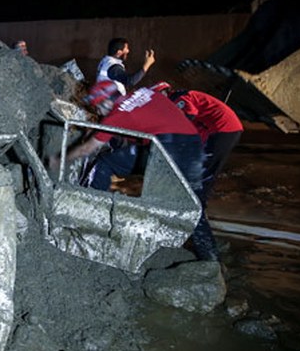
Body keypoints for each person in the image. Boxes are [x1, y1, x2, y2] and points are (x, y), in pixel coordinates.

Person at [65, 80, 219, 262]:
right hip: (192, 145)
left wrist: (59, 159)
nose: (97, 112)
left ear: (106, 102)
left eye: (97, 107)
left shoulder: (118, 115)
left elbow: (87, 149)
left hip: (168, 150)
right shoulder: (146, 93)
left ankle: (94, 219)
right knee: (192, 203)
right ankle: (211, 257)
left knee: (161, 200)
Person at [151, 82, 244, 201]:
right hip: (216, 129)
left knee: (205, 170)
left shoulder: (179, 99)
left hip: (223, 129)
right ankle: (190, 202)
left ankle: (198, 209)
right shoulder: (178, 100)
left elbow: (188, 115)